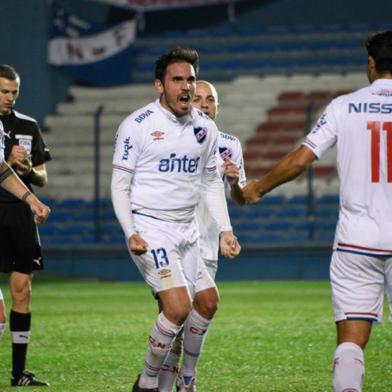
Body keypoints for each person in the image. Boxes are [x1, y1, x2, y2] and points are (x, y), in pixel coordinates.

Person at [242, 30, 392, 392]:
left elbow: (301, 160)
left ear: (371, 65)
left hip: (357, 242)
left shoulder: (344, 106)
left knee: (351, 343)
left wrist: (258, 188)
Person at [111, 48, 240, 392]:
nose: (186, 87)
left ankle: (187, 378)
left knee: (209, 302)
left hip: (189, 231)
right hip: (151, 228)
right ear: (160, 86)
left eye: (190, 79)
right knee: (178, 307)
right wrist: (130, 231)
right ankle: (148, 382)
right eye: (177, 79)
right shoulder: (137, 126)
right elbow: (120, 184)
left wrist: (225, 230)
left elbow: (212, 181)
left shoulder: (205, 128)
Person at [158, 80, 246, 392]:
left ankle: (172, 382)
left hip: (208, 243)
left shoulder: (230, 145)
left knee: (192, 318)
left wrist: (234, 183)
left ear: (218, 107)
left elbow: (239, 197)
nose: (205, 104)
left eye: (211, 99)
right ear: (187, 103)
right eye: (198, 99)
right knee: (189, 310)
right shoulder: (168, 141)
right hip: (173, 241)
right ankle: (182, 381)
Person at [0, 64, 52, 387]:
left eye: (13, 92)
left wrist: (28, 170)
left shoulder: (28, 126)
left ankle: (19, 373)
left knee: (22, 290)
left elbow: (41, 177)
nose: (9, 97)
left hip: (19, 214)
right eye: (3, 91)